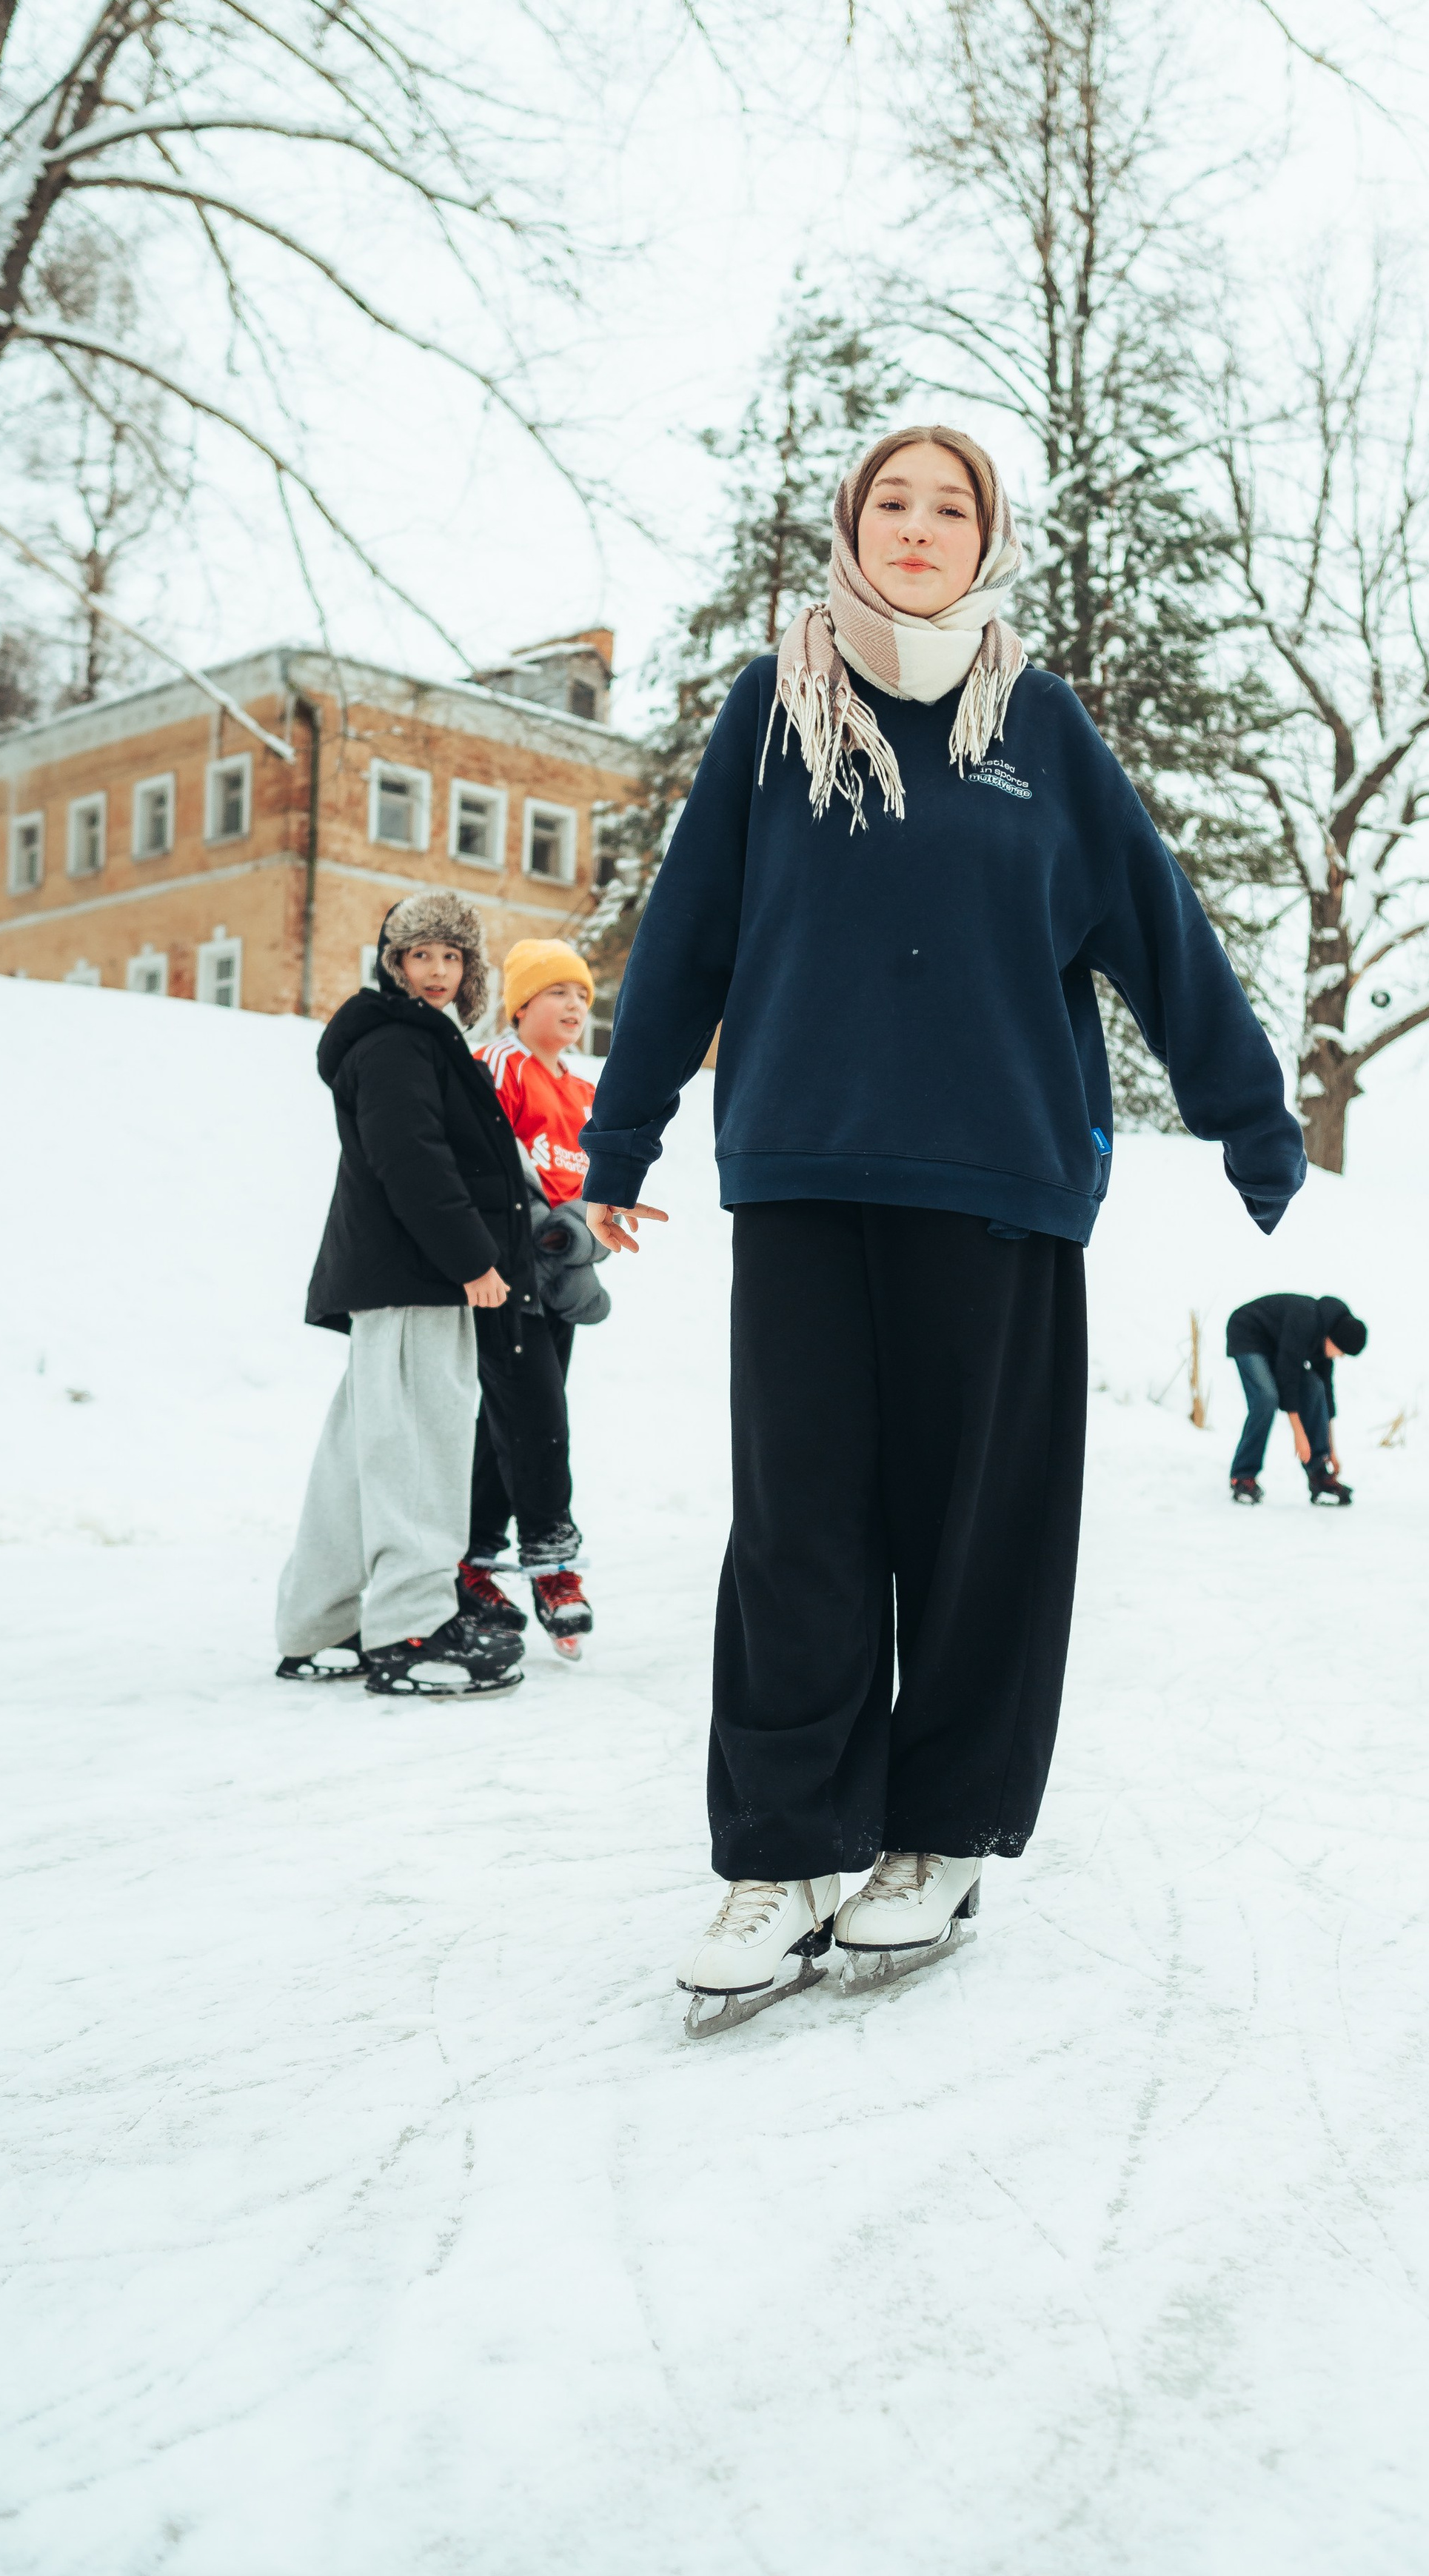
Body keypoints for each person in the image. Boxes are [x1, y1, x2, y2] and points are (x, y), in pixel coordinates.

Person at [578, 425, 1305, 2033]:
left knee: (977, 1534)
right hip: (801, 1169)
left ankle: (936, 1836)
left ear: (986, 540)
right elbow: (686, 931)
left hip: (996, 1186)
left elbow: (1157, 925)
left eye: (949, 506)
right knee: (797, 1530)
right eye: (890, 502)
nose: (917, 528)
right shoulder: (775, 710)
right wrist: (619, 1131)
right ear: (850, 525)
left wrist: (1250, 1116)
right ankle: (781, 1853)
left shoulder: (1035, 723)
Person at [274, 890, 536, 1697]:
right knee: (418, 1449)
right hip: (420, 1275)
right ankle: (411, 1631)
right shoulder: (396, 1045)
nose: (436, 971)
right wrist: (472, 1259)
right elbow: (414, 1162)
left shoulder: (417, 1041)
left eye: (451, 957)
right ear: (394, 964)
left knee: (364, 1454)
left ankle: (320, 1625)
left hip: (399, 1275)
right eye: (419, 955)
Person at [455, 939, 608, 1662]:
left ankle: (472, 1562)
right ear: (521, 1004)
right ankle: (553, 1567)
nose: (574, 1006)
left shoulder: (584, 1091)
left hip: (560, 1284)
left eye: (581, 994)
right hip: (504, 1276)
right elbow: (482, 1169)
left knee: (506, 1424)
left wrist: (599, 1229)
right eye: (557, 993)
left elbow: (597, 1189)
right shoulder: (498, 1066)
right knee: (540, 1418)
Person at [1225, 1293, 1367, 1505]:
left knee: (1315, 1388)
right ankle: (1243, 1475)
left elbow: (1326, 1394)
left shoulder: (1325, 1339)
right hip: (1248, 1333)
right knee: (1266, 1397)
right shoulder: (1305, 1322)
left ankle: (1319, 1474)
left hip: (1277, 1345)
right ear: (1332, 1339)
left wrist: (1331, 1448)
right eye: (1342, 1351)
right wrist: (1299, 1433)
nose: (1341, 1356)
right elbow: (1287, 1375)